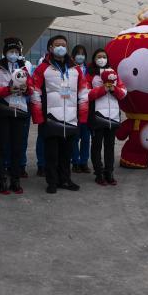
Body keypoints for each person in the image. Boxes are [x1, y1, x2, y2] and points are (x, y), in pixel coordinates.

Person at [30, 34, 88, 193]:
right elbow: (34, 92)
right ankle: (52, 182)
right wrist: (38, 117)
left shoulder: (75, 69)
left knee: (66, 153)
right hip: (50, 118)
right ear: (50, 48)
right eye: (57, 45)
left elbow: (83, 92)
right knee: (51, 154)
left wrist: (82, 115)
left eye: (63, 44)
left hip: (70, 117)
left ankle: (66, 180)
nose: (61, 47)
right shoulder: (43, 68)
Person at [0, 37, 33, 194]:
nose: (13, 54)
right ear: (5, 52)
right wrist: (8, 90)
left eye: (16, 51)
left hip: (20, 111)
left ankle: (15, 179)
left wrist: (25, 89)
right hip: (3, 111)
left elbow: (31, 88)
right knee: (2, 147)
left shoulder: (24, 68)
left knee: (17, 147)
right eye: (11, 51)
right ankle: (1, 180)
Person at [86, 48, 126, 186]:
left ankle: (109, 172)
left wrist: (114, 89)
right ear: (94, 59)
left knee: (110, 146)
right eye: (98, 57)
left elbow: (123, 93)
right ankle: (99, 173)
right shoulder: (90, 75)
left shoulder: (114, 74)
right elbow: (87, 95)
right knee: (96, 146)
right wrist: (103, 89)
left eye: (104, 56)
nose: (101, 59)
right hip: (97, 116)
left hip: (113, 116)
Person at [70, 44, 91, 173]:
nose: (80, 56)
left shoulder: (89, 70)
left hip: (87, 108)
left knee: (86, 137)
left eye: (83, 54)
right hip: (73, 107)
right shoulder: (69, 69)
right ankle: (75, 162)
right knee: (74, 137)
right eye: (78, 53)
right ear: (73, 55)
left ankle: (84, 162)